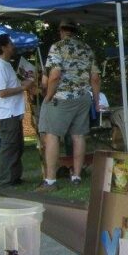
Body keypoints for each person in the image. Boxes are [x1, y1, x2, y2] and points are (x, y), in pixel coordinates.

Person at [37, 19, 100, 191]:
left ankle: (50, 180)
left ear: (61, 31)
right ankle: (77, 176)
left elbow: (54, 75)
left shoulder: (57, 47)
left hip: (62, 98)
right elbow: (95, 78)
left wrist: (49, 95)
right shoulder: (87, 49)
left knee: (52, 135)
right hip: (83, 98)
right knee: (78, 136)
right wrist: (95, 101)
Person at [0, 34, 35, 188]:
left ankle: (14, 176)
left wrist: (24, 82)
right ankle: (5, 179)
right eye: (11, 43)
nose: (13, 46)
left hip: (13, 111)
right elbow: (2, 92)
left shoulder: (5, 64)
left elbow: (10, 84)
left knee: (17, 146)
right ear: (3, 47)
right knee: (9, 146)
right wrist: (23, 87)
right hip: (6, 112)